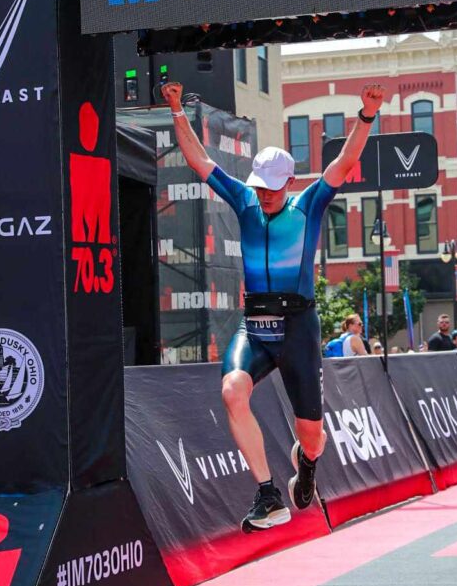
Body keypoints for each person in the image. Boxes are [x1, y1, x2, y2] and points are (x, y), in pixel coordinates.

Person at [162, 80, 384, 532]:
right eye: (258, 186)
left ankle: (307, 463)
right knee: (231, 391)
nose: (263, 195)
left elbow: (345, 162)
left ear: (290, 182)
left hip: (299, 325)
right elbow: (200, 160)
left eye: (271, 188)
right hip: (256, 324)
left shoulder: (308, 205)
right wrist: (177, 113)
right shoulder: (244, 201)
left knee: (314, 440)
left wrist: (367, 115)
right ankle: (267, 495)